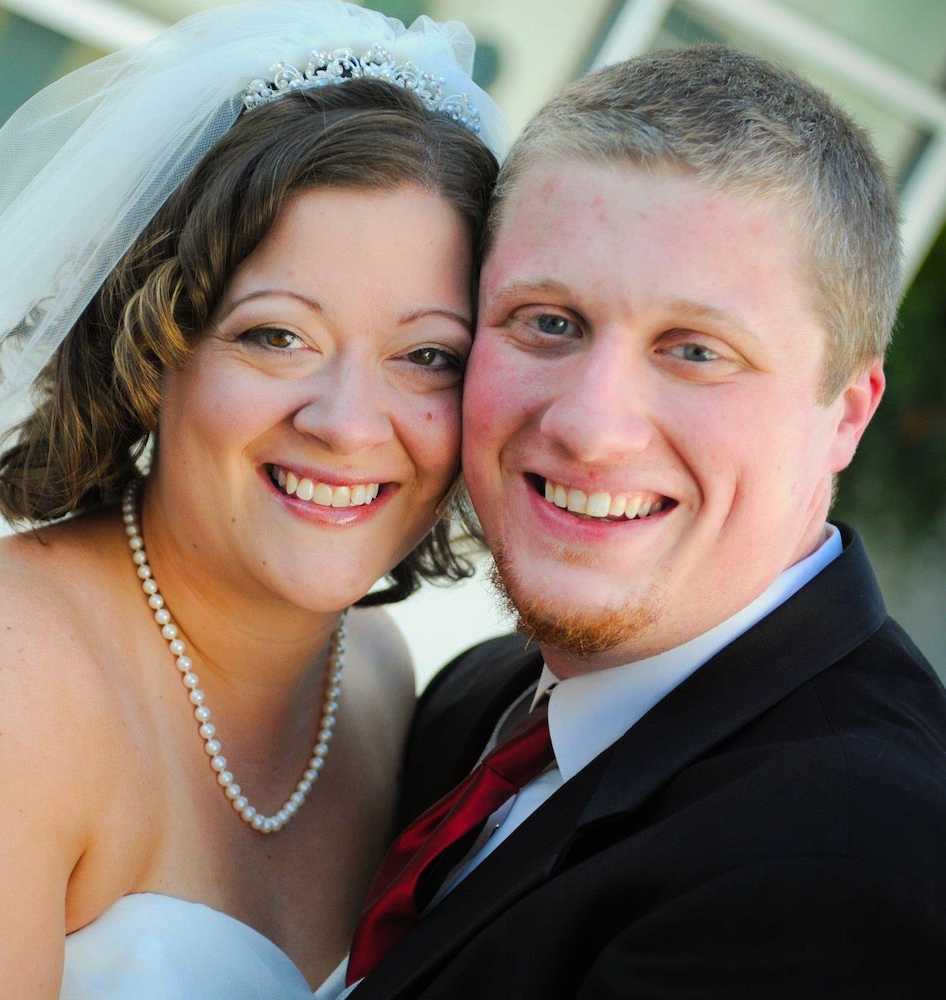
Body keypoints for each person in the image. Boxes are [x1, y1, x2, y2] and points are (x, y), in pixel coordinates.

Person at [338, 45, 946, 998]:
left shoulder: (855, 867)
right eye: (549, 321)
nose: (588, 425)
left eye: (695, 350)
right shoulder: (477, 700)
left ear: (847, 412)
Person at [0, 2, 507, 997]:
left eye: (426, 356)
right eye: (276, 336)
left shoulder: (374, 675)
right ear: (152, 347)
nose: (346, 421)